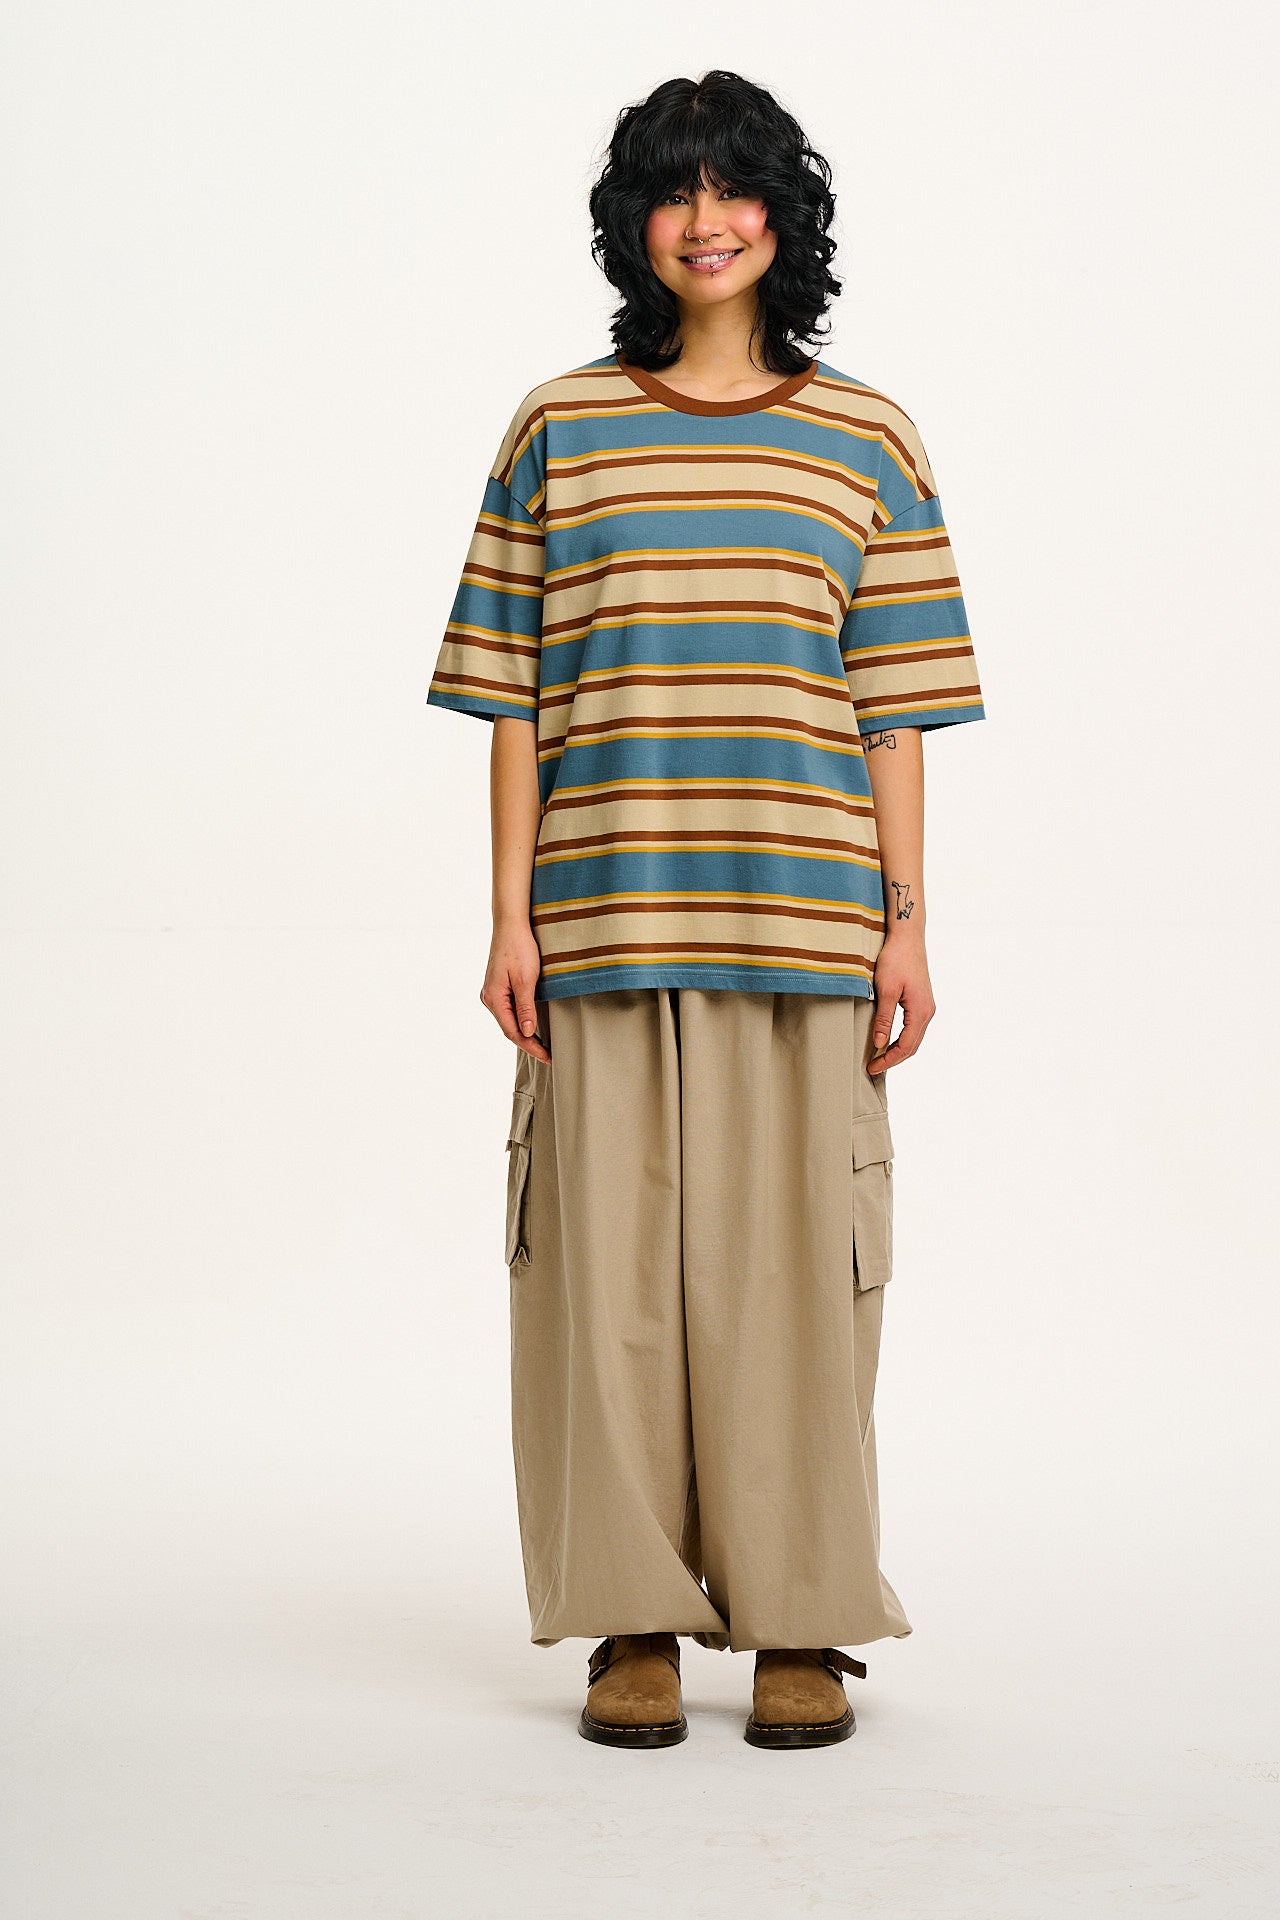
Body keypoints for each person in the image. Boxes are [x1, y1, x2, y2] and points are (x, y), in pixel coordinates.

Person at [425, 69, 986, 1751]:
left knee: (799, 1283)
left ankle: (801, 1617)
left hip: (807, 921)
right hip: (599, 916)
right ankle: (632, 1620)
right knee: (602, 1289)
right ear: (636, 225)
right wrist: (509, 914)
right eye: (673, 190)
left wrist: (906, 920)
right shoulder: (559, 427)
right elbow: (512, 695)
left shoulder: (868, 436)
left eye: (736, 187)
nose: (706, 219)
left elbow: (894, 708)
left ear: (782, 217)